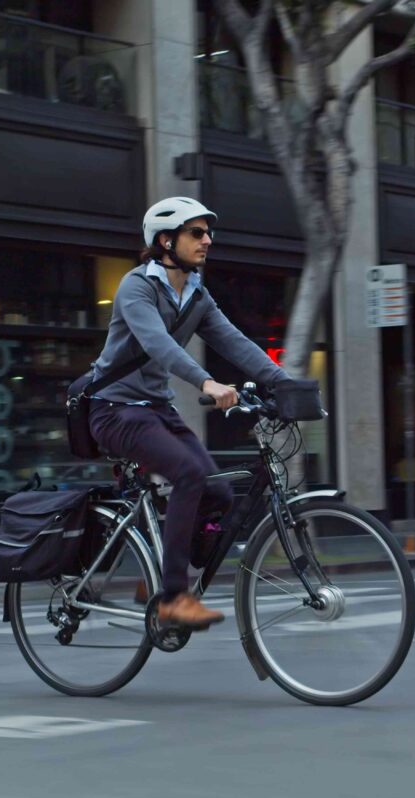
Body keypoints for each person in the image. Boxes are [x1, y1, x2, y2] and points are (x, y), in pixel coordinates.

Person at [87, 197, 290, 629]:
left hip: (156, 410)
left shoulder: (196, 294)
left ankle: (179, 566)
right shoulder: (137, 287)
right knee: (188, 474)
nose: (207, 240)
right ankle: (172, 598)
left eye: (207, 233)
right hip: (114, 410)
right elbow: (157, 343)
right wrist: (206, 382)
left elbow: (233, 341)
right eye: (195, 233)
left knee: (217, 492)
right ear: (165, 240)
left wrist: (284, 382)